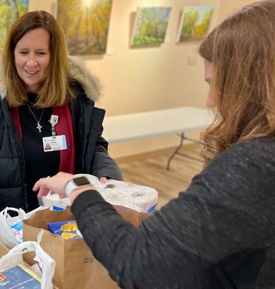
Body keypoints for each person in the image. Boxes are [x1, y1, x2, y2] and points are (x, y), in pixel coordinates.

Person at [33, 1, 275, 287]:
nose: (212, 101)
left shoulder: (255, 165)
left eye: (216, 84)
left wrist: (80, 188)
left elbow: (138, 262)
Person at [0, 10, 122, 228]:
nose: (31, 63)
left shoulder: (75, 99)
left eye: (40, 53)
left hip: (66, 223)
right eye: (23, 52)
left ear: (54, 55)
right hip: (9, 226)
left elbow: (93, 148)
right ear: (12, 54)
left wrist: (108, 175)